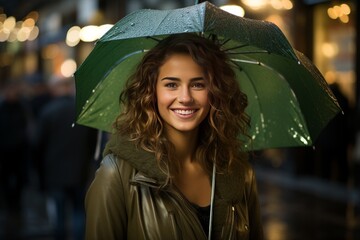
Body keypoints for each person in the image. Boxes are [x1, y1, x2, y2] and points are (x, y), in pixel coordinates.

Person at [85, 33, 263, 239]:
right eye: (171, 84)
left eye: (198, 84)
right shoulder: (116, 174)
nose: (185, 98)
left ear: (216, 92)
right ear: (151, 91)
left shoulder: (240, 173)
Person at [34, 75, 98, 240]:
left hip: (55, 173)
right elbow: (92, 144)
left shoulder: (47, 112)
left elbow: (39, 146)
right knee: (79, 212)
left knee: (59, 215)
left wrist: (39, 173)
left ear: (55, 89)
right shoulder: (82, 112)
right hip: (79, 171)